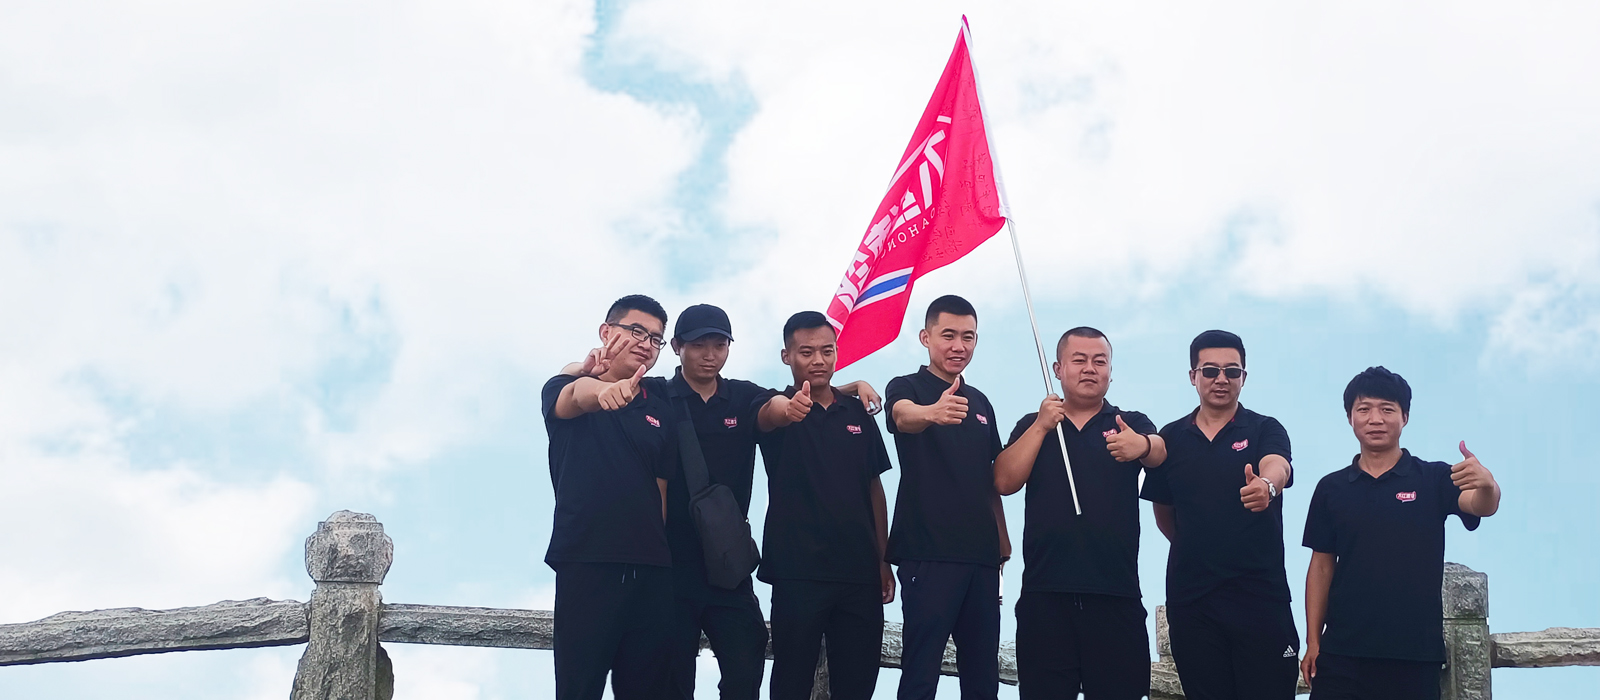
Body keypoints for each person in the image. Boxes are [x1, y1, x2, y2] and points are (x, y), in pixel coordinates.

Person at [641, 304, 881, 700]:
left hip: (727, 566)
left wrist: (844, 389)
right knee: (671, 679)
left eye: (719, 345)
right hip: (669, 564)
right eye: (699, 345)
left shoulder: (741, 396)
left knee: (745, 665)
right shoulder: (655, 395)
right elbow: (601, 386)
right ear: (677, 346)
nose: (710, 355)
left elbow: (775, 408)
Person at [1300, 367, 1501, 700]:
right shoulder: (1331, 488)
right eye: (1364, 409)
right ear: (1350, 417)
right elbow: (1321, 566)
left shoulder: (1433, 479)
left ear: (1404, 417)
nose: (1375, 419)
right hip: (1342, 655)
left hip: (1414, 655)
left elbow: (1480, 505)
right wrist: (1313, 641)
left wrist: (1488, 485)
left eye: (1387, 409)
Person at [994, 327, 1168, 699]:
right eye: (1079, 360)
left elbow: (1159, 453)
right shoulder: (1033, 424)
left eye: (1099, 361)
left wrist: (1141, 445)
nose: (1090, 368)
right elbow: (1004, 481)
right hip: (1045, 595)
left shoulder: (1128, 422)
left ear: (1110, 372)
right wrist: (1042, 425)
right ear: (1058, 369)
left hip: (1115, 594)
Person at [1140, 329, 1300, 700]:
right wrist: (1200, 543)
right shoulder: (1171, 437)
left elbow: (1278, 465)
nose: (1221, 379)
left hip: (1261, 598)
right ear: (1193, 376)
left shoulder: (1265, 428)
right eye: (1210, 370)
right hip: (1193, 602)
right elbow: (1164, 512)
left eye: (1232, 371)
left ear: (1244, 376)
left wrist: (1267, 486)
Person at [541, 294, 678, 700]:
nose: (646, 343)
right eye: (636, 331)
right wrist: (600, 390)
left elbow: (661, 492)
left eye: (655, 338)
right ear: (606, 332)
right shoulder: (564, 387)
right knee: (579, 688)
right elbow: (575, 394)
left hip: (650, 570)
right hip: (587, 561)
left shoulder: (661, 407)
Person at [755, 311, 894, 700]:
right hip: (797, 571)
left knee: (858, 683)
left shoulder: (858, 412)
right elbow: (767, 416)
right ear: (786, 356)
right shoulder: (776, 406)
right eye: (806, 352)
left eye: (827, 351)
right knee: (791, 681)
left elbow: (874, 488)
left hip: (859, 573)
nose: (818, 360)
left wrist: (883, 561)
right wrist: (788, 409)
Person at [884, 295, 1012, 700]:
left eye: (968, 337)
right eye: (948, 335)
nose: (959, 346)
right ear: (926, 337)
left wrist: (1003, 544)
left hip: (981, 558)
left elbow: (990, 478)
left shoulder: (982, 402)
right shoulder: (907, 386)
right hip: (928, 553)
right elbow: (901, 415)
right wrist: (932, 413)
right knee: (921, 674)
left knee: (983, 678)